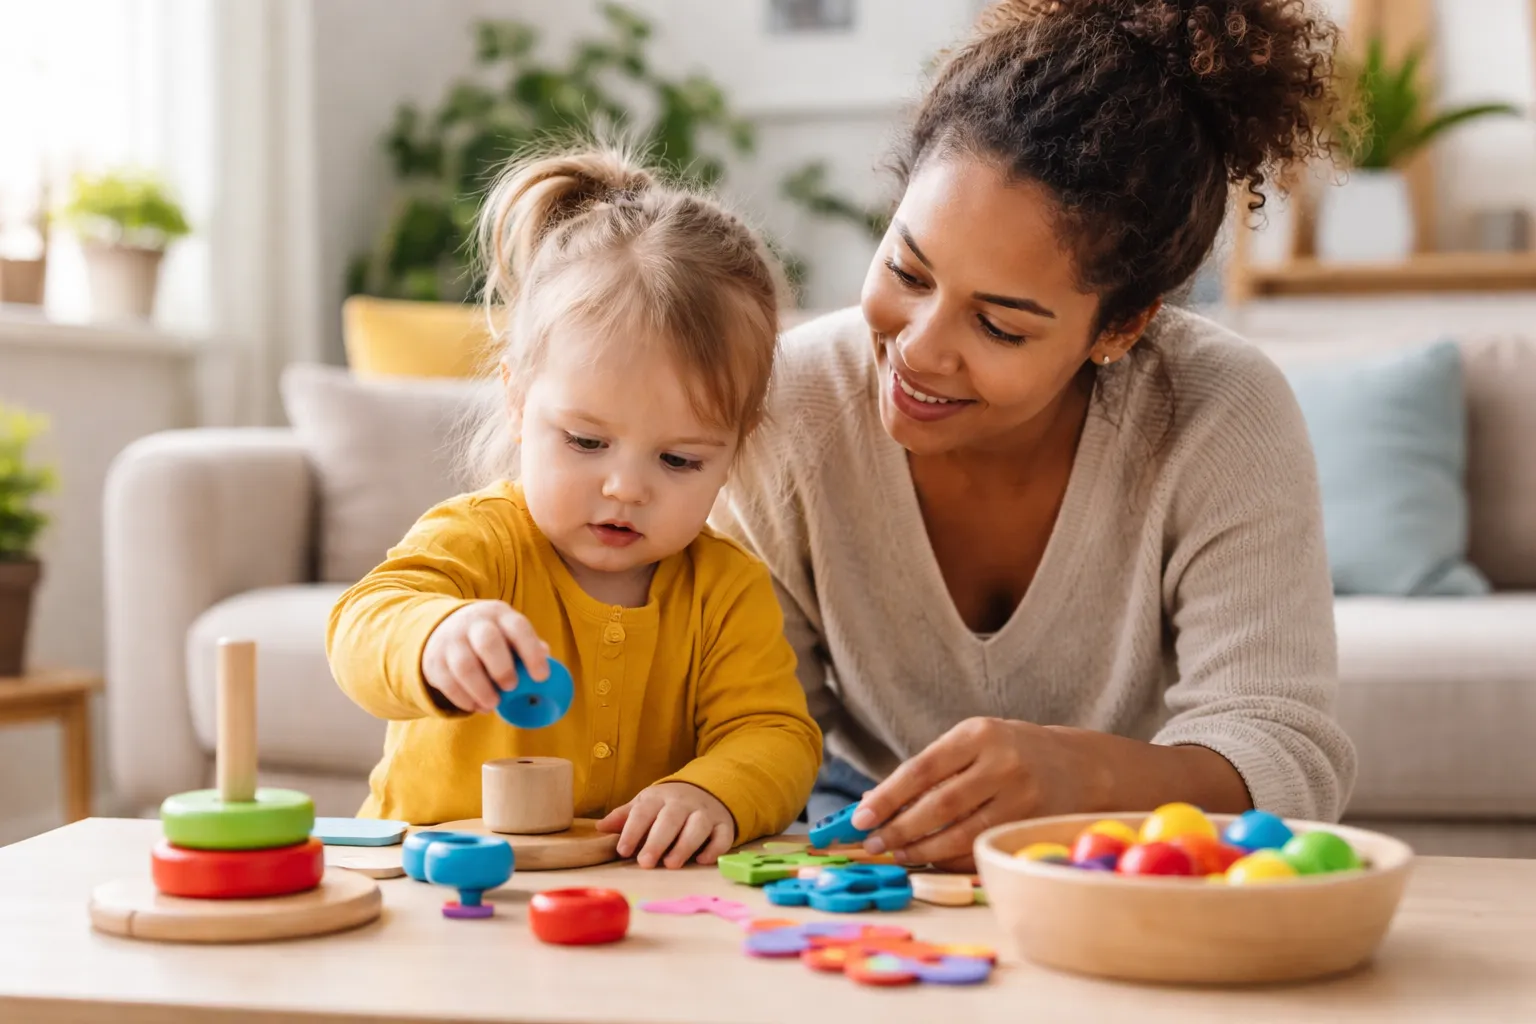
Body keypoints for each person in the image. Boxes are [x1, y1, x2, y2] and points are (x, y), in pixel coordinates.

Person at [712, 0, 1357, 872]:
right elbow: (747, 718)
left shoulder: (1219, 411)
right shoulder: (791, 404)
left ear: (1121, 328)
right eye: (907, 271)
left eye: (1000, 326)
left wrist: (1086, 778)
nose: (920, 349)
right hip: (847, 814)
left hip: (1121, 842)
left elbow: (1286, 752)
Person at [328, 146, 821, 869]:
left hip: (630, 898)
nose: (625, 488)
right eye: (587, 442)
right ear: (517, 402)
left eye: (679, 460)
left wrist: (711, 792)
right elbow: (361, 626)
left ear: (733, 453)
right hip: (429, 886)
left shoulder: (726, 589)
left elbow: (777, 734)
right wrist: (434, 637)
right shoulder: (480, 539)